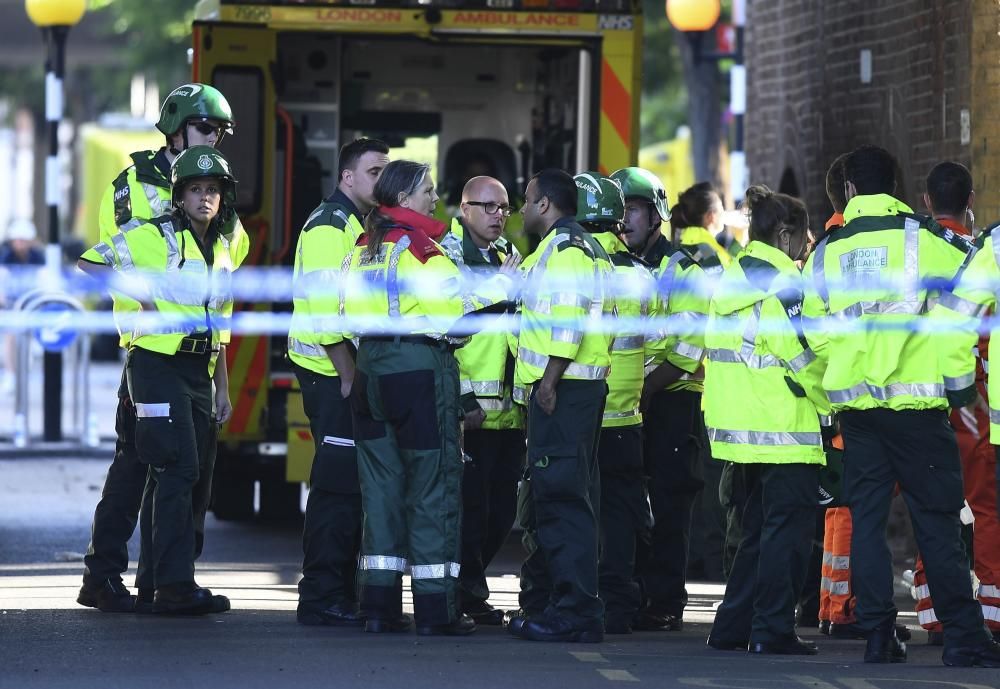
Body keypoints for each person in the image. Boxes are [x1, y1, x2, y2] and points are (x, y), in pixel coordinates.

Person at [804, 144, 1000, 667]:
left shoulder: (826, 251)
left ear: (848, 191)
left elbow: (813, 337)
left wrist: (836, 385)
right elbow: (972, 292)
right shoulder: (924, 240)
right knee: (936, 521)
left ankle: (876, 636)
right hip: (917, 411)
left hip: (859, 414)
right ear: (896, 187)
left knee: (866, 521)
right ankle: (963, 636)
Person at [76, 83, 246, 614]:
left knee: (175, 471)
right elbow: (109, 261)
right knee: (144, 469)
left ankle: (161, 579)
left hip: (197, 358)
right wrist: (148, 307)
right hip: (151, 354)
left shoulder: (220, 212)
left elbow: (222, 290)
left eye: (219, 131)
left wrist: (221, 376)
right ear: (175, 130)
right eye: (203, 128)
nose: (214, 137)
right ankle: (116, 578)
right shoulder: (135, 187)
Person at [343, 160, 512, 636]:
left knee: (381, 491)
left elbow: (337, 312)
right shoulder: (421, 249)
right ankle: (437, 611)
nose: (434, 200)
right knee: (432, 490)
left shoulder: (363, 247)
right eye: (428, 192)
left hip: (369, 371)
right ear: (405, 198)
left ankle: (377, 607)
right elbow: (455, 304)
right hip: (418, 372)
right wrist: (503, 284)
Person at [703, 185, 827, 655]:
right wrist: (836, 403)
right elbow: (806, 360)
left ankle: (732, 627)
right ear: (784, 235)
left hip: (739, 433)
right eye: (804, 234)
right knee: (788, 535)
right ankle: (772, 629)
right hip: (785, 430)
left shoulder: (731, 280)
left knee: (755, 532)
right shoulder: (784, 287)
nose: (808, 242)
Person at [507, 169, 614, 643]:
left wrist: (548, 382)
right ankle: (561, 603)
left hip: (563, 392)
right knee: (562, 497)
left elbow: (566, 322)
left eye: (527, 201)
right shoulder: (569, 248)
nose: (521, 208)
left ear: (546, 205)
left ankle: (575, 612)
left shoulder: (567, 252)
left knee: (563, 502)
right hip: (571, 393)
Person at [287, 138, 390, 626]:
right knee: (336, 487)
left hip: (341, 372)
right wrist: (349, 375)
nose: (382, 180)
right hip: (332, 375)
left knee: (347, 486)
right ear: (348, 177)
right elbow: (327, 310)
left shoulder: (355, 223)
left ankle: (336, 590)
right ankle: (322, 595)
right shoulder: (331, 227)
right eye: (374, 171)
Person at [610, 166, 709, 632]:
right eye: (617, 210)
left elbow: (688, 352)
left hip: (670, 402)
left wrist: (644, 391)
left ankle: (665, 599)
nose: (622, 219)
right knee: (626, 502)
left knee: (670, 504)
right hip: (628, 404)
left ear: (656, 215)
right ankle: (630, 591)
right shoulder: (610, 266)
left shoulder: (683, 271)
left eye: (630, 209)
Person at [918, 161, 1000, 645]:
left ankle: (935, 615)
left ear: (927, 201)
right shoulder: (971, 251)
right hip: (978, 403)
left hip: (934, 399)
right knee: (985, 508)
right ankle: (991, 613)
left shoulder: (914, 252)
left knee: (937, 507)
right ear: (970, 201)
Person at [440, 175, 524, 626]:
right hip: (470, 411)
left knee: (500, 513)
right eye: (488, 207)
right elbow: (447, 328)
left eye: (504, 208)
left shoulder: (508, 257)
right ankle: (464, 593)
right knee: (470, 513)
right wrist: (462, 397)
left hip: (508, 412)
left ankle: (470, 587)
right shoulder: (447, 258)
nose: (498, 216)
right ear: (463, 209)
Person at [573, 172, 654, 634]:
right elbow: (657, 345)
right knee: (621, 514)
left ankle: (577, 597)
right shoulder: (641, 275)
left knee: (576, 508)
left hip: (581, 412)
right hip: (627, 414)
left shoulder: (577, 264)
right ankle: (618, 604)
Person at [0, 219, 45, 392]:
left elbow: (45, 281)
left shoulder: (38, 257)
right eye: (17, 240)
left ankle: (27, 366)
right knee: (11, 335)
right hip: (12, 306)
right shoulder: (5, 256)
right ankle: (11, 375)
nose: (20, 244)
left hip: (33, 304)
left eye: (24, 240)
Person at [670, 181, 731, 274]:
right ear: (711, 216)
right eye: (721, 207)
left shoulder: (680, 243)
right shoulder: (707, 251)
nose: (724, 212)